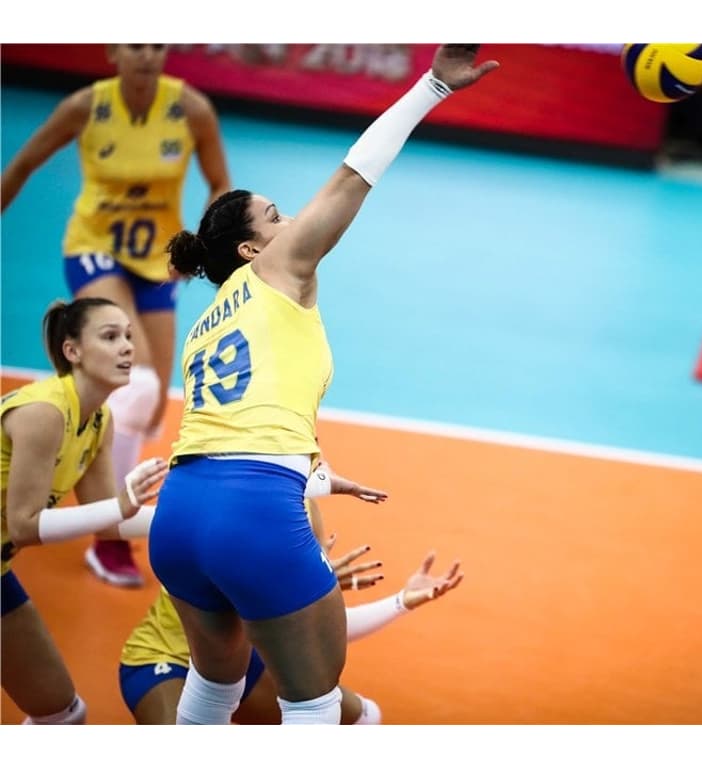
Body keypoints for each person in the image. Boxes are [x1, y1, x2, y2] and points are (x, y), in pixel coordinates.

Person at [146, 44, 498, 725]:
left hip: (180, 514)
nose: (291, 224)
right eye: (276, 217)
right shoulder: (280, 270)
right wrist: (430, 87)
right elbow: (352, 177)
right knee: (313, 703)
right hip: (251, 512)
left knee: (214, 689)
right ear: (253, 249)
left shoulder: (207, 325)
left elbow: (246, 417)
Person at [1, 43, 230, 588]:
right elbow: (27, 161)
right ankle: (109, 540)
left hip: (158, 263)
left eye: (157, 45)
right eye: (136, 45)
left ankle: (92, 487)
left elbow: (220, 182)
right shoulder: (85, 106)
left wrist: (195, 247)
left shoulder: (191, 108)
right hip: (94, 249)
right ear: (113, 52)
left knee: (148, 407)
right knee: (138, 385)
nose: (148, 56)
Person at [1, 297, 168, 724]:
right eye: (110, 337)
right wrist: (119, 505)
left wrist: (191, 523)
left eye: (129, 336)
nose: (128, 347)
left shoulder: (99, 420)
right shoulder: (43, 412)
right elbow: (24, 525)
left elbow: (108, 522)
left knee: (61, 713)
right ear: (72, 351)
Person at [120, 530, 464, 725]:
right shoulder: (208, 513)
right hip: (165, 660)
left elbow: (309, 629)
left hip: (240, 658)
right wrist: (298, 587)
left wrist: (400, 601)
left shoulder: (297, 520)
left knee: (362, 719)